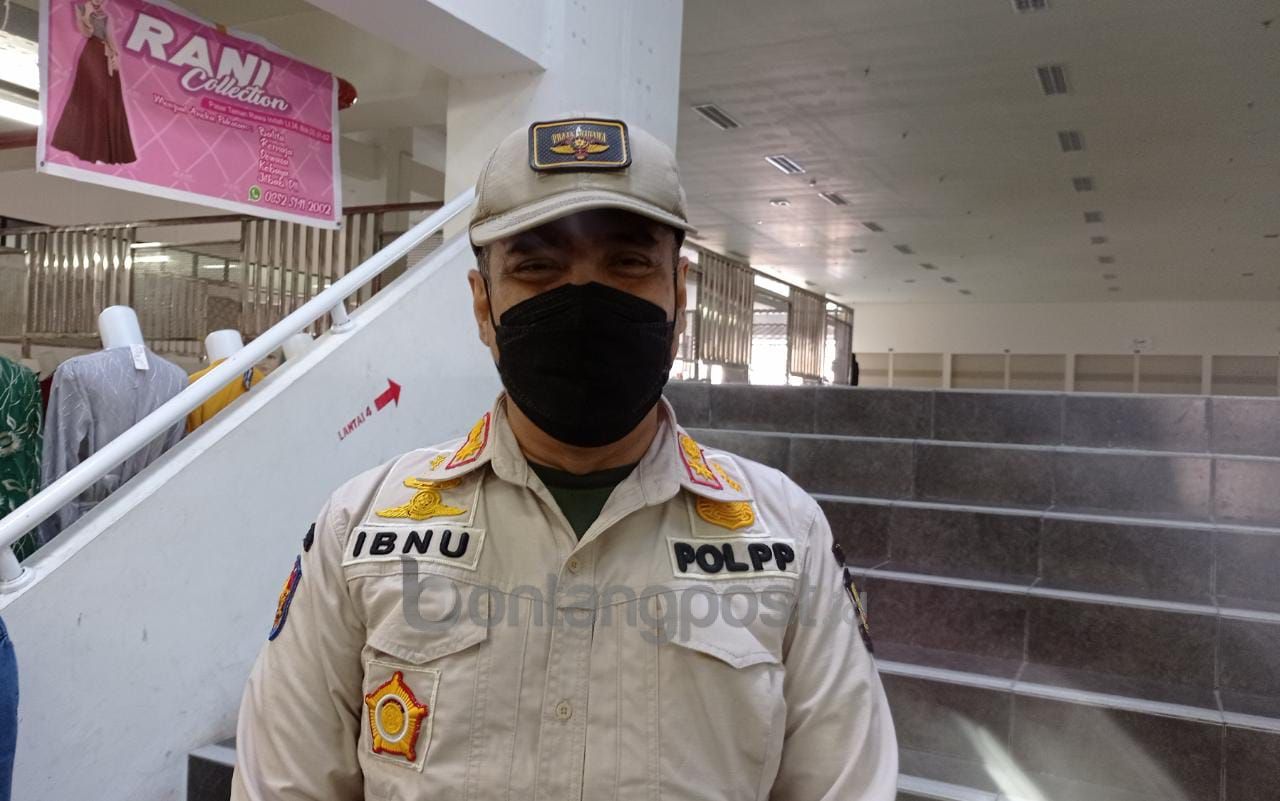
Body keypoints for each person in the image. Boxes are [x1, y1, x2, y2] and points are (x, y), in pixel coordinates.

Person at [231, 114, 897, 800]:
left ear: (679, 296)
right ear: (484, 306)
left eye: (627, 263)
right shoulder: (360, 529)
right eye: (536, 266)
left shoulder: (786, 537)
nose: (583, 297)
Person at [49, 0, 137, 165]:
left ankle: (107, 150)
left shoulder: (106, 16)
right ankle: (82, 145)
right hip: (91, 55)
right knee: (86, 97)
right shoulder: (80, 8)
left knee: (108, 101)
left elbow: (111, 39)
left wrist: (115, 57)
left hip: (106, 58)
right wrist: (87, 14)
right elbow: (86, 32)